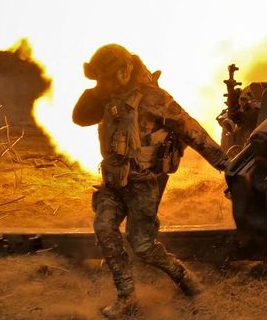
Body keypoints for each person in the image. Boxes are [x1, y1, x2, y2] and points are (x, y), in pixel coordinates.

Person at [72, 44, 228, 318]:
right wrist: (98, 91)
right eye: (100, 78)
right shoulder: (107, 96)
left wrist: (224, 163)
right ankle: (126, 297)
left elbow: (190, 130)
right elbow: (79, 118)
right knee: (105, 228)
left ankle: (182, 275)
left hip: (144, 183)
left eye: (107, 77)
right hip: (113, 182)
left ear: (125, 70)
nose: (103, 83)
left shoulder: (154, 98)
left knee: (142, 245)